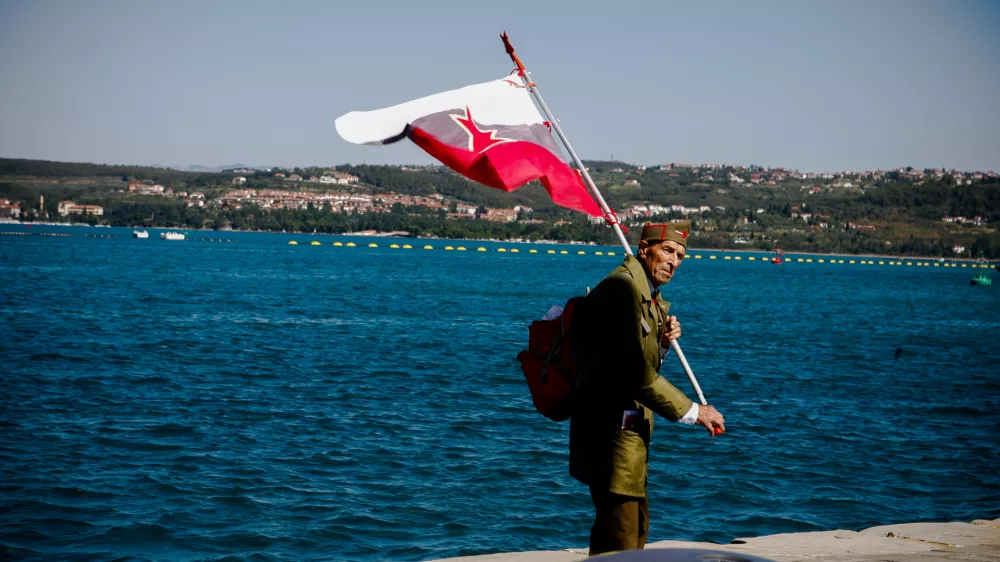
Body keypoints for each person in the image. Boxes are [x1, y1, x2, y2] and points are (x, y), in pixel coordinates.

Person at [569, 220, 726, 556]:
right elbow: (633, 372)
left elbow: (638, 359)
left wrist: (663, 342)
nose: (674, 261)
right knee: (622, 539)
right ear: (644, 249)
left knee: (633, 530)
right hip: (609, 436)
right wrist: (694, 412)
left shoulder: (646, 297)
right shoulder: (621, 290)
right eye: (668, 250)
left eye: (681, 256)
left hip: (628, 437)